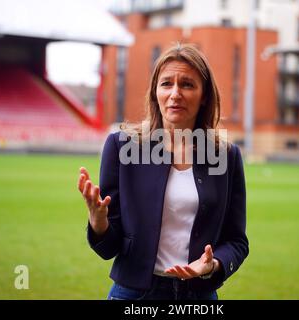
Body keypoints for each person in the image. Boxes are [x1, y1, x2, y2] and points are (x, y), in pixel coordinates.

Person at [78, 43, 249, 300]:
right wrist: (98, 223)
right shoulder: (122, 146)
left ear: (204, 95)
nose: (175, 93)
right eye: (166, 83)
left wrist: (212, 266)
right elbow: (108, 248)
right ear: (155, 92)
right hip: (134, 295)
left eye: (188, 85)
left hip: (199, 296)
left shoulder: (226, 156)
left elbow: (236, 241)